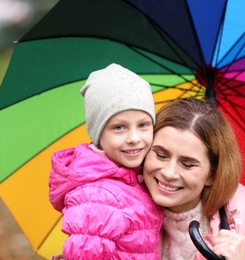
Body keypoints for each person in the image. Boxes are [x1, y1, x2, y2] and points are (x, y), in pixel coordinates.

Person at [143, 97, 245, 260]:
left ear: (212, 174)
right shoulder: (117, 224)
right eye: (160, 155)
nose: (169, 173)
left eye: (187, 164)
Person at [48, 64, 162, 260]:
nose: (134, 138)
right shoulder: (98, 196)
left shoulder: (137, 176)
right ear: (99, 134)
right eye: (119, 127)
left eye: (143, 125)